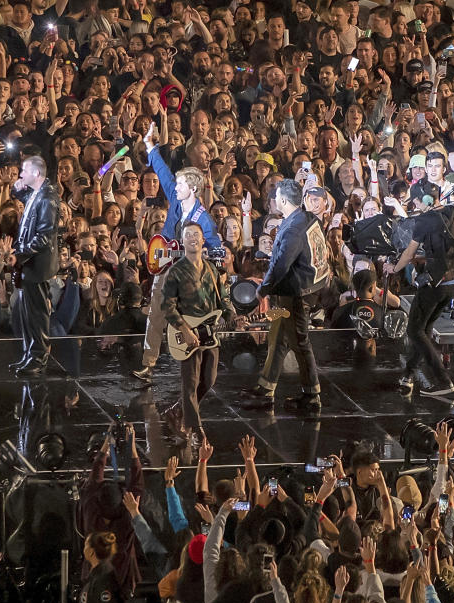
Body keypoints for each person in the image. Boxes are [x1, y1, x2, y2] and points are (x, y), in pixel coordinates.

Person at [132, 116, 222, 381]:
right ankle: (148, 364)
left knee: (193, 316)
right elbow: (160, 170)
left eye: (181, 184)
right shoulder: (174, 194)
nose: (175, 187)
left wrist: (215, 253)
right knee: (156, 313)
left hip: (190, 273)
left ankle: (197, 362)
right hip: (165, 265)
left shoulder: (203, 218)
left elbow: (216, 248)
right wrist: (150, 146)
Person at [241, 178, 329, 410]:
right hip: (301, 289)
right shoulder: (307, 217)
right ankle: (266, 386)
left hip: (296, 295)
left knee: (300, 341)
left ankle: (312, 394)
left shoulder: (292, 229)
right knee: (278, 336)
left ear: (281, 200)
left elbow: (281, 265)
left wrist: (263, 289)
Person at [160, 221, 238, 444]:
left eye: (197, 234)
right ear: (182, 241)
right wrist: (184, 329)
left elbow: (223, 299)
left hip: (210, 333)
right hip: (188, 335)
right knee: (190, 382)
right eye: (188, 235)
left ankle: (177, 409)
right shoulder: (175, 272)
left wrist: (231, 315)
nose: (193, 238)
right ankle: (195, 428)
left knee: (209, 379)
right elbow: (167, 306)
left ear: (203, 240)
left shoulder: (212, 270)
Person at [384, 203, 454, 400]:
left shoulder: (423, 221)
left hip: (435, 283)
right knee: (425, 328)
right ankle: (408, 374)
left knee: (414, 330)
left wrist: (394, 268)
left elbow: (408, 253)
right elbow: (443, 250)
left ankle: (443, 381)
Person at [10, 155, 60, 376]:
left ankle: (38, 357)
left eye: (24, 171)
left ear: (36, 173)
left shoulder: (48, 198)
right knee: (28, 314)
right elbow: (18, 193)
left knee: (37, 314)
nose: (21, 174)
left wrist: (20, 254)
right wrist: (16, 186)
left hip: (37, 266)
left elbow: (44, 236)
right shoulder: (36, 194)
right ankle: (29, 354)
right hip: (30, 265)